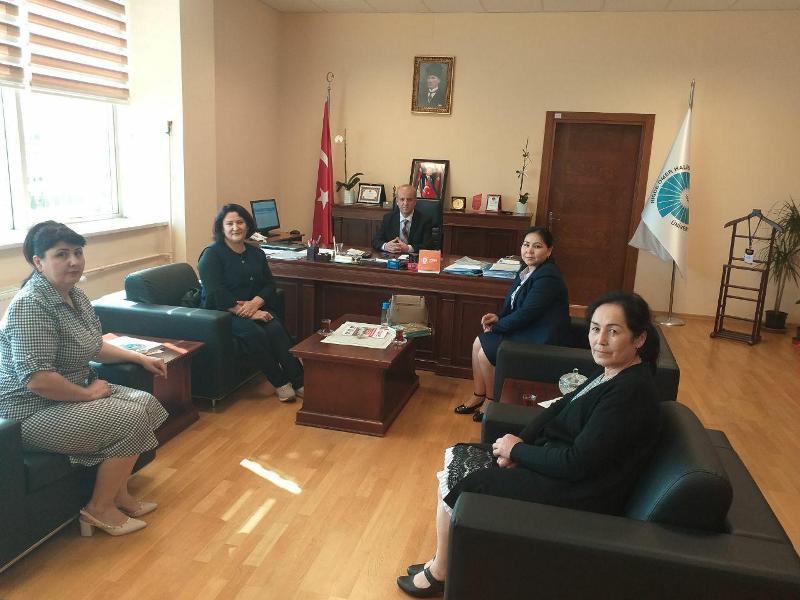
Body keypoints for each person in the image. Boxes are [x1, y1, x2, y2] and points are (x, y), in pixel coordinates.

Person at [396, 291, 662, 597]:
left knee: (472, 482)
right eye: (595, 328)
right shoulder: (611, 372)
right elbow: (558, 409)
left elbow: (577, 463)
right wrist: (520, 442)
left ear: (639, 338)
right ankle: (442, 560)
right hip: (559, 462)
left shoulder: (630, 393)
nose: (600, 340)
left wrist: (518, 451)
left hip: (581, 491)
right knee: (460, 453)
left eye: (613, 331)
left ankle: (441, 572)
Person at [0, 221, 169, 537]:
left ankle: (118, 494)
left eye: (77, 252)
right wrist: (88, 395)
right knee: (130, 418)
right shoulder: (30, 305)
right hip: (29, 411)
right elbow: (38, 380)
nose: (74, 261)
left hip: (68, 393)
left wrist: (138, 358)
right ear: (38, 262)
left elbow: (93, 345)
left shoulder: (74, 295)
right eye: (61, 254)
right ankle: (98, 509)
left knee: (145, 403)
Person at [454, 227, 570, 422]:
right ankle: (478, 395)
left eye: (537, 246)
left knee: (485, 352)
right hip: (528, 328)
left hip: (540, 336)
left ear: (549, 251)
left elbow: (526, 314)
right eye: (526, 245)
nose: (529, 251)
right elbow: (513, 305)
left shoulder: (548, 276)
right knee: (477, 342)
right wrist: (498, 318)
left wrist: (497, 327)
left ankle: (492, 402)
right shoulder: (526, 271)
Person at [198, 203, 304, 402]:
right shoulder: (211, 254)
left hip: (253, 307)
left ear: (247, 225)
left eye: (240, 222)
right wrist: (247, 312)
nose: (235, 227)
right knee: (254, 333)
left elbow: (269, 284)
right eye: (229, 223)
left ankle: (299, 381)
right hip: (222, 312)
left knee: (276, 328)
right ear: (221, 227)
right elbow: (215, 293)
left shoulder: (256, 253)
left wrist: (255, 304)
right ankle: (280, 382)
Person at [372, 184, 435, 254]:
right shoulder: (388, 218)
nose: (405, 203)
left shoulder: (425, 220)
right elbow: (376, 241)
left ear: (415, 202)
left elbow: (428, 246)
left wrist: (408, 248)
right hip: (393, 257)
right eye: (402, 199)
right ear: (397, 201)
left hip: (414, 258)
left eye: (409, 200)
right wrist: (385, 246)